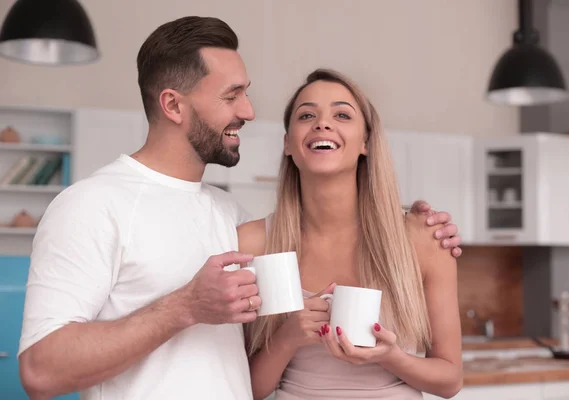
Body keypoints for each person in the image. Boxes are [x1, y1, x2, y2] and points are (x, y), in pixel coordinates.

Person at [17, 16, 461, 400]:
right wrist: (183, 307)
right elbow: (40, 371)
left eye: (245, 94)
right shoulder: (92, 205)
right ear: (173, 104)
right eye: (232, 96)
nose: (248, 111)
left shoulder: (228, 216)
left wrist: (418, 224)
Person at [239, 69, 462, 400]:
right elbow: (248, 391)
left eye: (342, 114)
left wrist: (390, 356)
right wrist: (287, 337)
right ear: (288, 144)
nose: (322, 123)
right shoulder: (254, 243)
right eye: (307, 115)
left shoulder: (422, 240)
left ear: (365, 142)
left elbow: (450, 380)